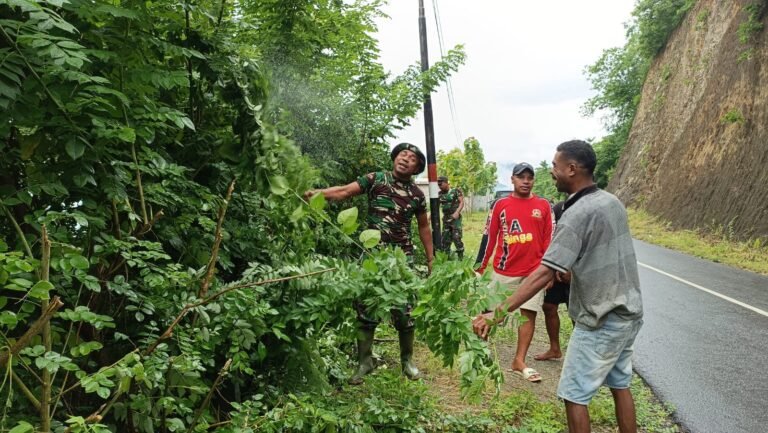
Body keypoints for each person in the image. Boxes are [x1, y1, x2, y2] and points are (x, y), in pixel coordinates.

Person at [472, 140, 644, 433]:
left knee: (573, 396)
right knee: (620, 385)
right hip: (628, 312)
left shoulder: (576, 214)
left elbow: (543, 273)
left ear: (572, 169)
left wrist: (497, 313)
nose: (552, 172)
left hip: (600, 318)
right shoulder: (611, 201)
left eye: (555, 166)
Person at [304, 142, 434, 385]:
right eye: (402, 154)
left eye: (412, 158)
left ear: (416, 168)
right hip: (373, 257)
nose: (405, 159)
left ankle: (407, 361)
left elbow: (424, 227)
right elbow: (344, 191)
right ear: (395, 158)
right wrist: (318, 194)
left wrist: (430, 258)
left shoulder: (417, 195)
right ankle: (365, 361)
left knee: (405, 311)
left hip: (401, 259)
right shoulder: (376, 179)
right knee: (366, 309)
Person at [475, 162, 554, 382]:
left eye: (529, 177)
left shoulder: (544, 205)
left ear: (533, 181)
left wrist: (548, 273)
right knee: (490, 312)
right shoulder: (501, 205)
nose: (526, 181)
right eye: (521, 177)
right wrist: (480, 267)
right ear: (512, 179)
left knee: (528, 314)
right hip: (504, 269)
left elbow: (550, 240)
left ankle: (519, 361)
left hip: (534, 272)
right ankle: (479, 352)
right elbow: (489, 237)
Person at [533, 200, 570, 362]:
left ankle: (582, 356)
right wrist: (553, 268)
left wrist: (573, 270)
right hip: (557, 267)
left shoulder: (591, 209)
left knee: (577, 313)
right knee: (548, 306)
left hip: (578, 272)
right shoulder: (558, 209)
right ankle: (554, 349)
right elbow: (550, 239)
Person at [437, 176, 465, 259]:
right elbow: (436, 206)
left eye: (441, 184)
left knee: (456, 237)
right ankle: (447, 258)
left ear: (446, 183)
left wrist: (457, 212)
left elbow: (461, 202)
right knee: (445, 239)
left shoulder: (456, 191)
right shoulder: (440, 194)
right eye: (438, 185)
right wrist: (429, 217)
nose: (439, 186)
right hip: (446, 219)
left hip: (455, 219)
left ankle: (461, 257)